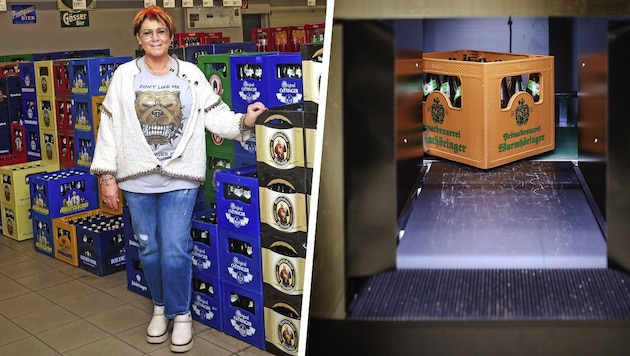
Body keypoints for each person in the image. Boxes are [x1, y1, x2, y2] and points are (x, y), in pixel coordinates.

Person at [89, 5, 266, 353]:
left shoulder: (190, 75)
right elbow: (108, 127)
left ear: (171, 37)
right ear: (139, 40)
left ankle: (181, 313)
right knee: (150, 249)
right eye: (147, 33)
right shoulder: (124, 77)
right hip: (136, 179)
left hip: (180, 177)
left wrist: (244, 120)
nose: (155, 38)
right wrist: (107, 176)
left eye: (161, 32)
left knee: (173, 248)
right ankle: (160, 306)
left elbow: (215, 116)